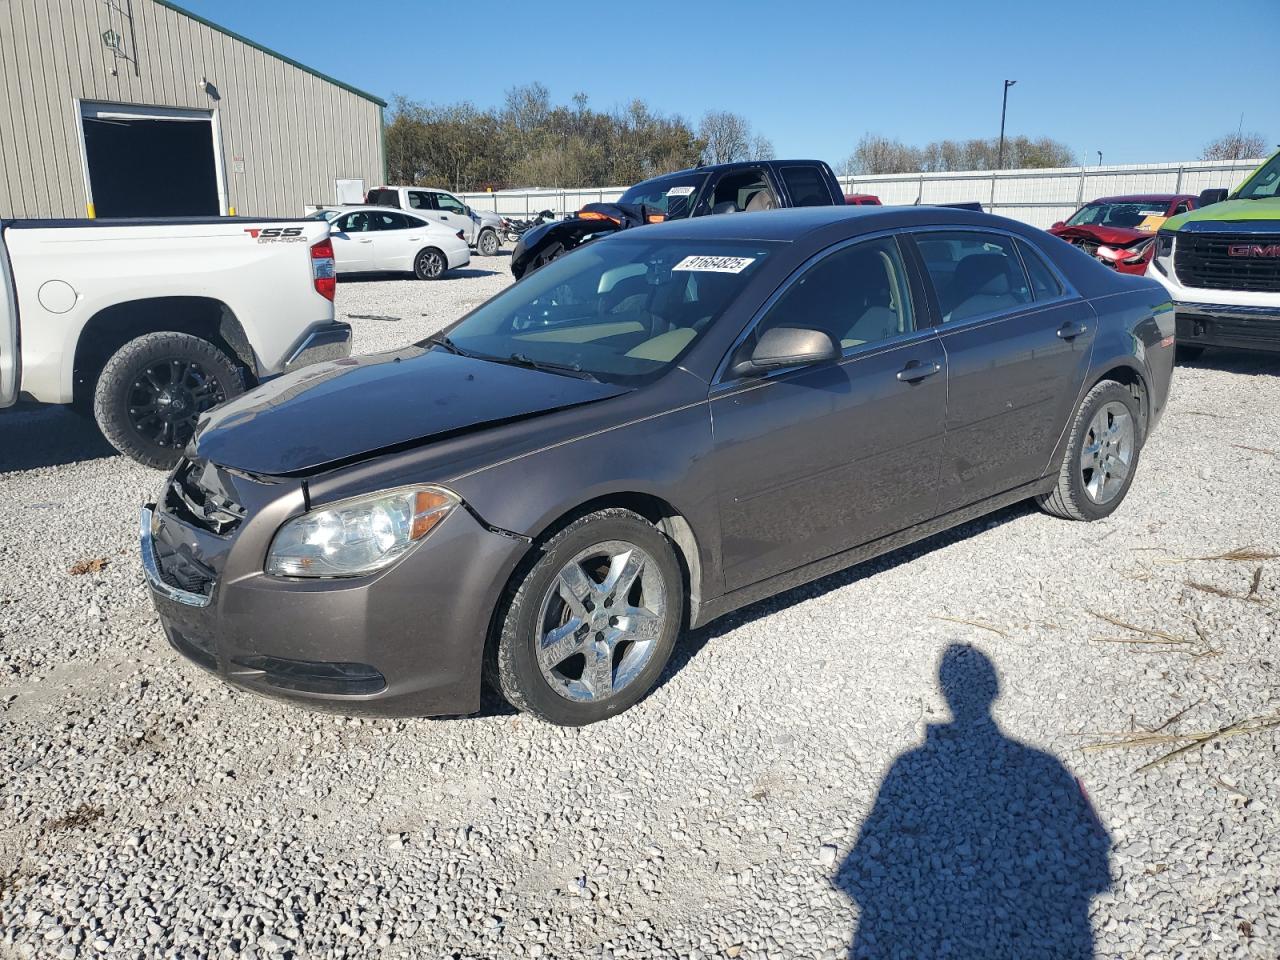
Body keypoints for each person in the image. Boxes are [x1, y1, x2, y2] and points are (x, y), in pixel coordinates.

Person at [838, 644, 1111, 959]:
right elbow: (1093, 869)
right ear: (994, 690)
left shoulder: (908, 765)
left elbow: (862, 876)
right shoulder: (1044, 766)